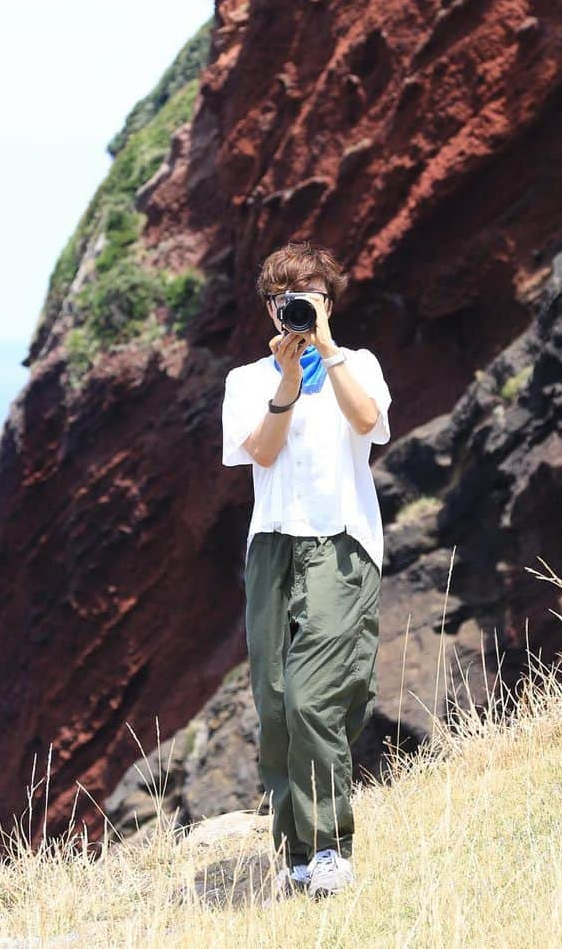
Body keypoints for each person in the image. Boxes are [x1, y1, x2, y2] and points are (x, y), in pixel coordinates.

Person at [220, 240, 392, 899]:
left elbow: (369, 420)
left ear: (328, 301)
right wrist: (288, 385)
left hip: (342, 542)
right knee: (276, 704)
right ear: (268, 306)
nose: (292, 309)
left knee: (316, 697)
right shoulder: (248, 381)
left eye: (308, 298)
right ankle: (297, 850)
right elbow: (259, 455)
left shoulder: (362, 365)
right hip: (272, 547)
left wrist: (326, 348)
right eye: (284, 300)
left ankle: (329, 850)